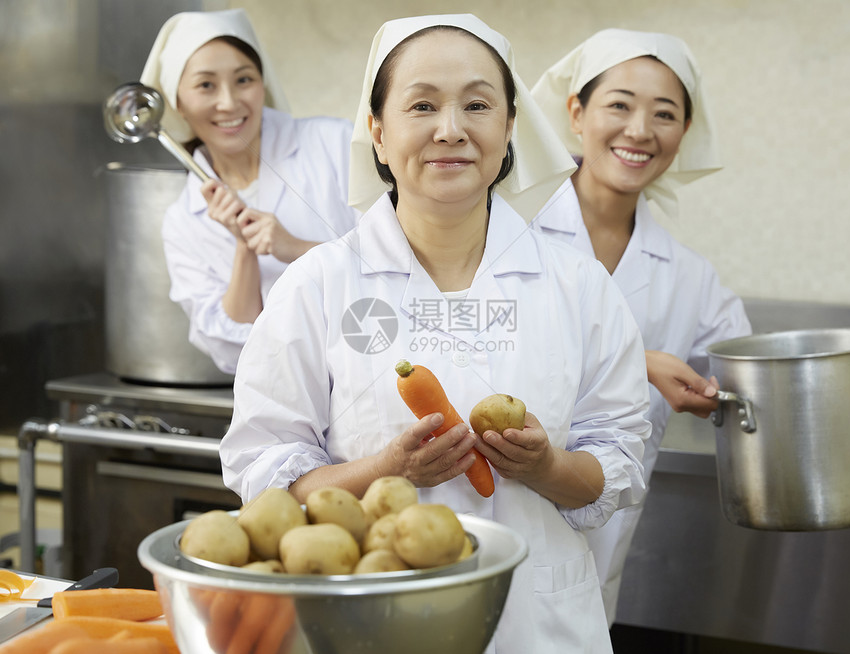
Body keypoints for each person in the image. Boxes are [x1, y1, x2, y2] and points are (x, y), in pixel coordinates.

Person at [220, 13, 653, 653]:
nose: (450, 130)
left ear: (508, 128)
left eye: (477, 105)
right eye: (422, 105)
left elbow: (616, 461)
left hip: (538, 628)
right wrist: (388, 469)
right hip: (368, 625)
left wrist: (547, 466)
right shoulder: (317, 286)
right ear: (378, 131)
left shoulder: (578, 287)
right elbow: (266, 473)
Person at [531, 28, 752, 624]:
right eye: (619, 105)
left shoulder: (689, 278)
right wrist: (641, 362)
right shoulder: (503, 231)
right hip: (491, 518)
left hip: (594, 562)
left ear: (683, 133)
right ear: (576, 112)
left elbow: (749, 368)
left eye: (664, 114)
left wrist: (715, 394)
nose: (639, 131)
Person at [140, 9, 360, 374]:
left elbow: (401, 266)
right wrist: (244, 248)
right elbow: (233, 354)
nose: (228, 102)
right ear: (176, 100)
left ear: (263, 83)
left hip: (370, 376)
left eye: (243, 79)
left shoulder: (334, 144)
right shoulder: (182, 221)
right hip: (281, 403)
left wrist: (296, 248)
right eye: (205, 85)